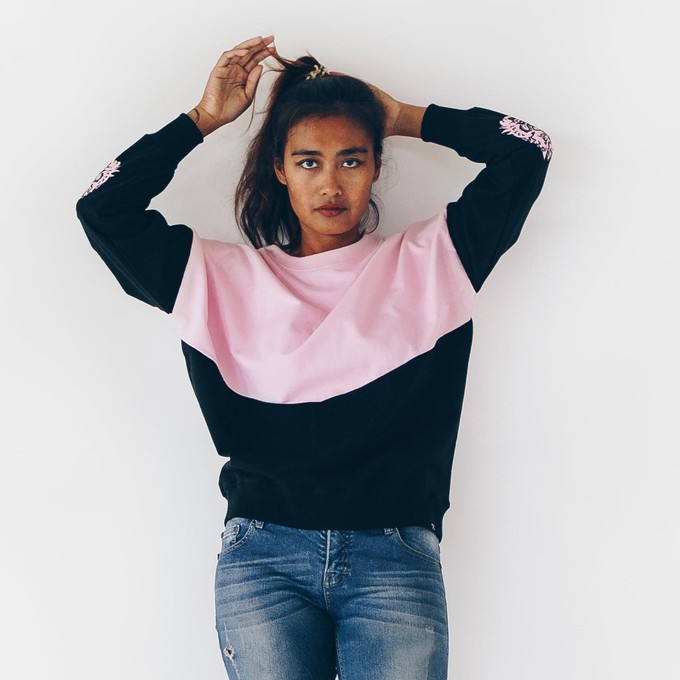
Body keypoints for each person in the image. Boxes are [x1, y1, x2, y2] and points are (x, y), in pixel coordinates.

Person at [76, 35, 552, 680]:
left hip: (394, 556)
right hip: (262, 559)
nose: (330, 183)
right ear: (279, 168)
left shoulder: (435, 262)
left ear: (376, 165)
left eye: (352, 159)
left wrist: (404, 116)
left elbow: (529, 148)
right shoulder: (213, 279)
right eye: (308, 162)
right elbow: (101, 207)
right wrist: (202, 119)